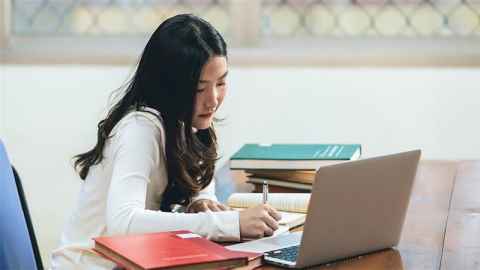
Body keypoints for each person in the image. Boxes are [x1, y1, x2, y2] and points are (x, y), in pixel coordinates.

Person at [50, 14, 281, 269]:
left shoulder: (183, 119)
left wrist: (199, 199)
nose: (213, 99)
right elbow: (124, 222)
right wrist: (232, 224)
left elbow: (195, 177)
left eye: (221, 82)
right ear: (170, 86)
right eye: (199, 88)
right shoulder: (139, 129)